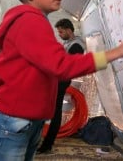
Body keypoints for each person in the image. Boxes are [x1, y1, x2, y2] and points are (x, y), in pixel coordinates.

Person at [0, 0, 123, 161]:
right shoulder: (30, 20)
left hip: (25, 119)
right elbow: (62, 65)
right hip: (15, 120)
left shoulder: (33, 21)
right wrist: (116, 52)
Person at [36, 18, 85, 154]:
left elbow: (68, 66)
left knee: (55, 112)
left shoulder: (77, 46)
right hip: (57, 80)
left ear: (69, 30)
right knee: (49, 110)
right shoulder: (69, 43)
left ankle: (47, 145)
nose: (59, 34)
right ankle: (43, 142)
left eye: (61, 32)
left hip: (61, 82)